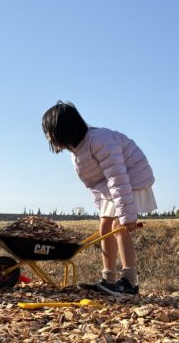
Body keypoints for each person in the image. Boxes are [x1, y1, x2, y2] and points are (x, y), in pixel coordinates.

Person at [42, 101, 156, 296]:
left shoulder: (100, 140)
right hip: (114, 188)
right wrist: (103, 208)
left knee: (119, 228)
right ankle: (108, 279)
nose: (48, 137)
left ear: (64, 129)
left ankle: (130, 282)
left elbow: (118, 178)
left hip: (132, 179)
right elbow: (95, 186)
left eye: (50, 131)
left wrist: (128, 216)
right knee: (104, 226)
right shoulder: (76, 154)